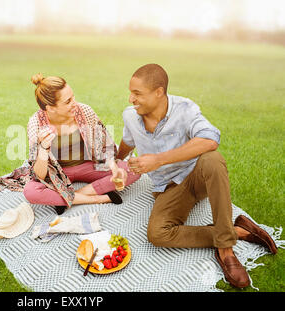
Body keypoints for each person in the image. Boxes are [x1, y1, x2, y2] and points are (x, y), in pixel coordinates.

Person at [116, 64, 277, 288]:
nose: (131, 99)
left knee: (213, 158)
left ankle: (225, 251)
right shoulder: (131, 116)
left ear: (158, 92)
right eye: (131, 92)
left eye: (137, 93)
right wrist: (115, 160)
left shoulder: (185, 109)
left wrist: (158, 159)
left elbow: (210, 138)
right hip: (167, 188)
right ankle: (238, 231)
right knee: (157, 234)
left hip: (196, 176)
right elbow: (128, 141)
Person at [23, 73, 141, 215]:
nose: (75, 103)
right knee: (30, 191)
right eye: (67, 101)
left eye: (73, 97)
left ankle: (68, 197)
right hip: (58, 172)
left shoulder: (84, 111)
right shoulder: (36, 124)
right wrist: (42, 148)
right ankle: (100, 198)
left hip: (89, 164)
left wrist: (113, 167)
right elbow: (39, 175)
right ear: (50, 108)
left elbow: (103, 144)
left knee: (132, 169)